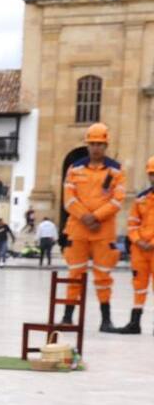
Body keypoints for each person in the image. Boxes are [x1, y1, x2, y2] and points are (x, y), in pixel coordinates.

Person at [62, 122, 125, 332]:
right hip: (78, 231)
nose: (96, 147)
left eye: (99, 144)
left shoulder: (116, 170)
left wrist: (96, 217)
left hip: (103, 233)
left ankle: (105, 320)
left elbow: (118, 200)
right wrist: (85, 217)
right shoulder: (74, 169)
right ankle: (67, 317)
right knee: (74, 274)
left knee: (104, 276)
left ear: (106, 145)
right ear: (87, 145)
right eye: (92, 143)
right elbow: (68, 199)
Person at [122, 156, 154, 335]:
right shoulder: (141, 199)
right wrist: (137, 240)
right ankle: (135, 323)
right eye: (152, 174)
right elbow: (132, 223)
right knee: (138, 286)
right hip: (140, 250)